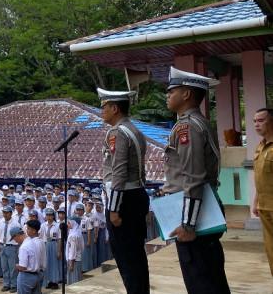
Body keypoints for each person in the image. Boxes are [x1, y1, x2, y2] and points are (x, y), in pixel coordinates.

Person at [163, 67, 230, 293]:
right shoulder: (197, 122)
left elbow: (193, 178)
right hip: (201, 210)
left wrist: (188, 224)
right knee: (211, 276)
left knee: (201, 281)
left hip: (196, 217)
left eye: (172, 91)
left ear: (186, 94)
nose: (167, 95)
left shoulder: (187, 126)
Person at [98, 88, 150, 293]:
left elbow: (118, 172)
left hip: (123, 200)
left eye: (104, 107)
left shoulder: (117, 132)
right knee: (136, 256)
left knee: (126, 258)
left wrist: (114, 209)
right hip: (136, 194)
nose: (102, 111)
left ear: (115, 108)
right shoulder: (134, 130)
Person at [252, 107, 273, 277]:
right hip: (265, 208)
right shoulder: (260, 146)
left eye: (261, 120)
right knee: (271, 250)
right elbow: (260, 177)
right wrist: (255, 202)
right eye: (254, 121)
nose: (256, 124)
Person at [16, 220, 45, 294]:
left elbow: (23, 267)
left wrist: (17, 266)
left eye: (28, 228)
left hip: (26, 276)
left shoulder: (25, 246)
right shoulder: (41, 242)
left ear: (34, 231)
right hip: (39, 274)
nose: (26, 230)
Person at [0, 203, 21, 292]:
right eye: (4, 212)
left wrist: (18, 249)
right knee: (4, 267)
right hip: (2, 245)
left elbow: (19, 237)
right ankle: (6, 284)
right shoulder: (0, 222)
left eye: (7, 212)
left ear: (11, 213)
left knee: (12, 267)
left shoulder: (16, 224)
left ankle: (14, 285)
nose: (5, 214)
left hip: (12, 247)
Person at [41, 208, 61, 290]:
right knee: (47, 264)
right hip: (46, 244)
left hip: (54, 244)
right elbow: (41, 237)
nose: (49, 217)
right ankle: (48, 281)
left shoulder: (57, 225)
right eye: (47, 215)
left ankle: (54, 281)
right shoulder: (43, 225)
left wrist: (59, 251)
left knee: (54, 263)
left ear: (53, 216)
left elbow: (59, 239)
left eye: (50, 215)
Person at [65, 216, 83, 285]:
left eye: (69, 223)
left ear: (74, 223)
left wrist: (71, 263)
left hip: (74, 261)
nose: (67, 225)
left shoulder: (73, 236)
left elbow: (73, 250)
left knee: (74, 280)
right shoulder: (77, 232)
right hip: (77, 259)